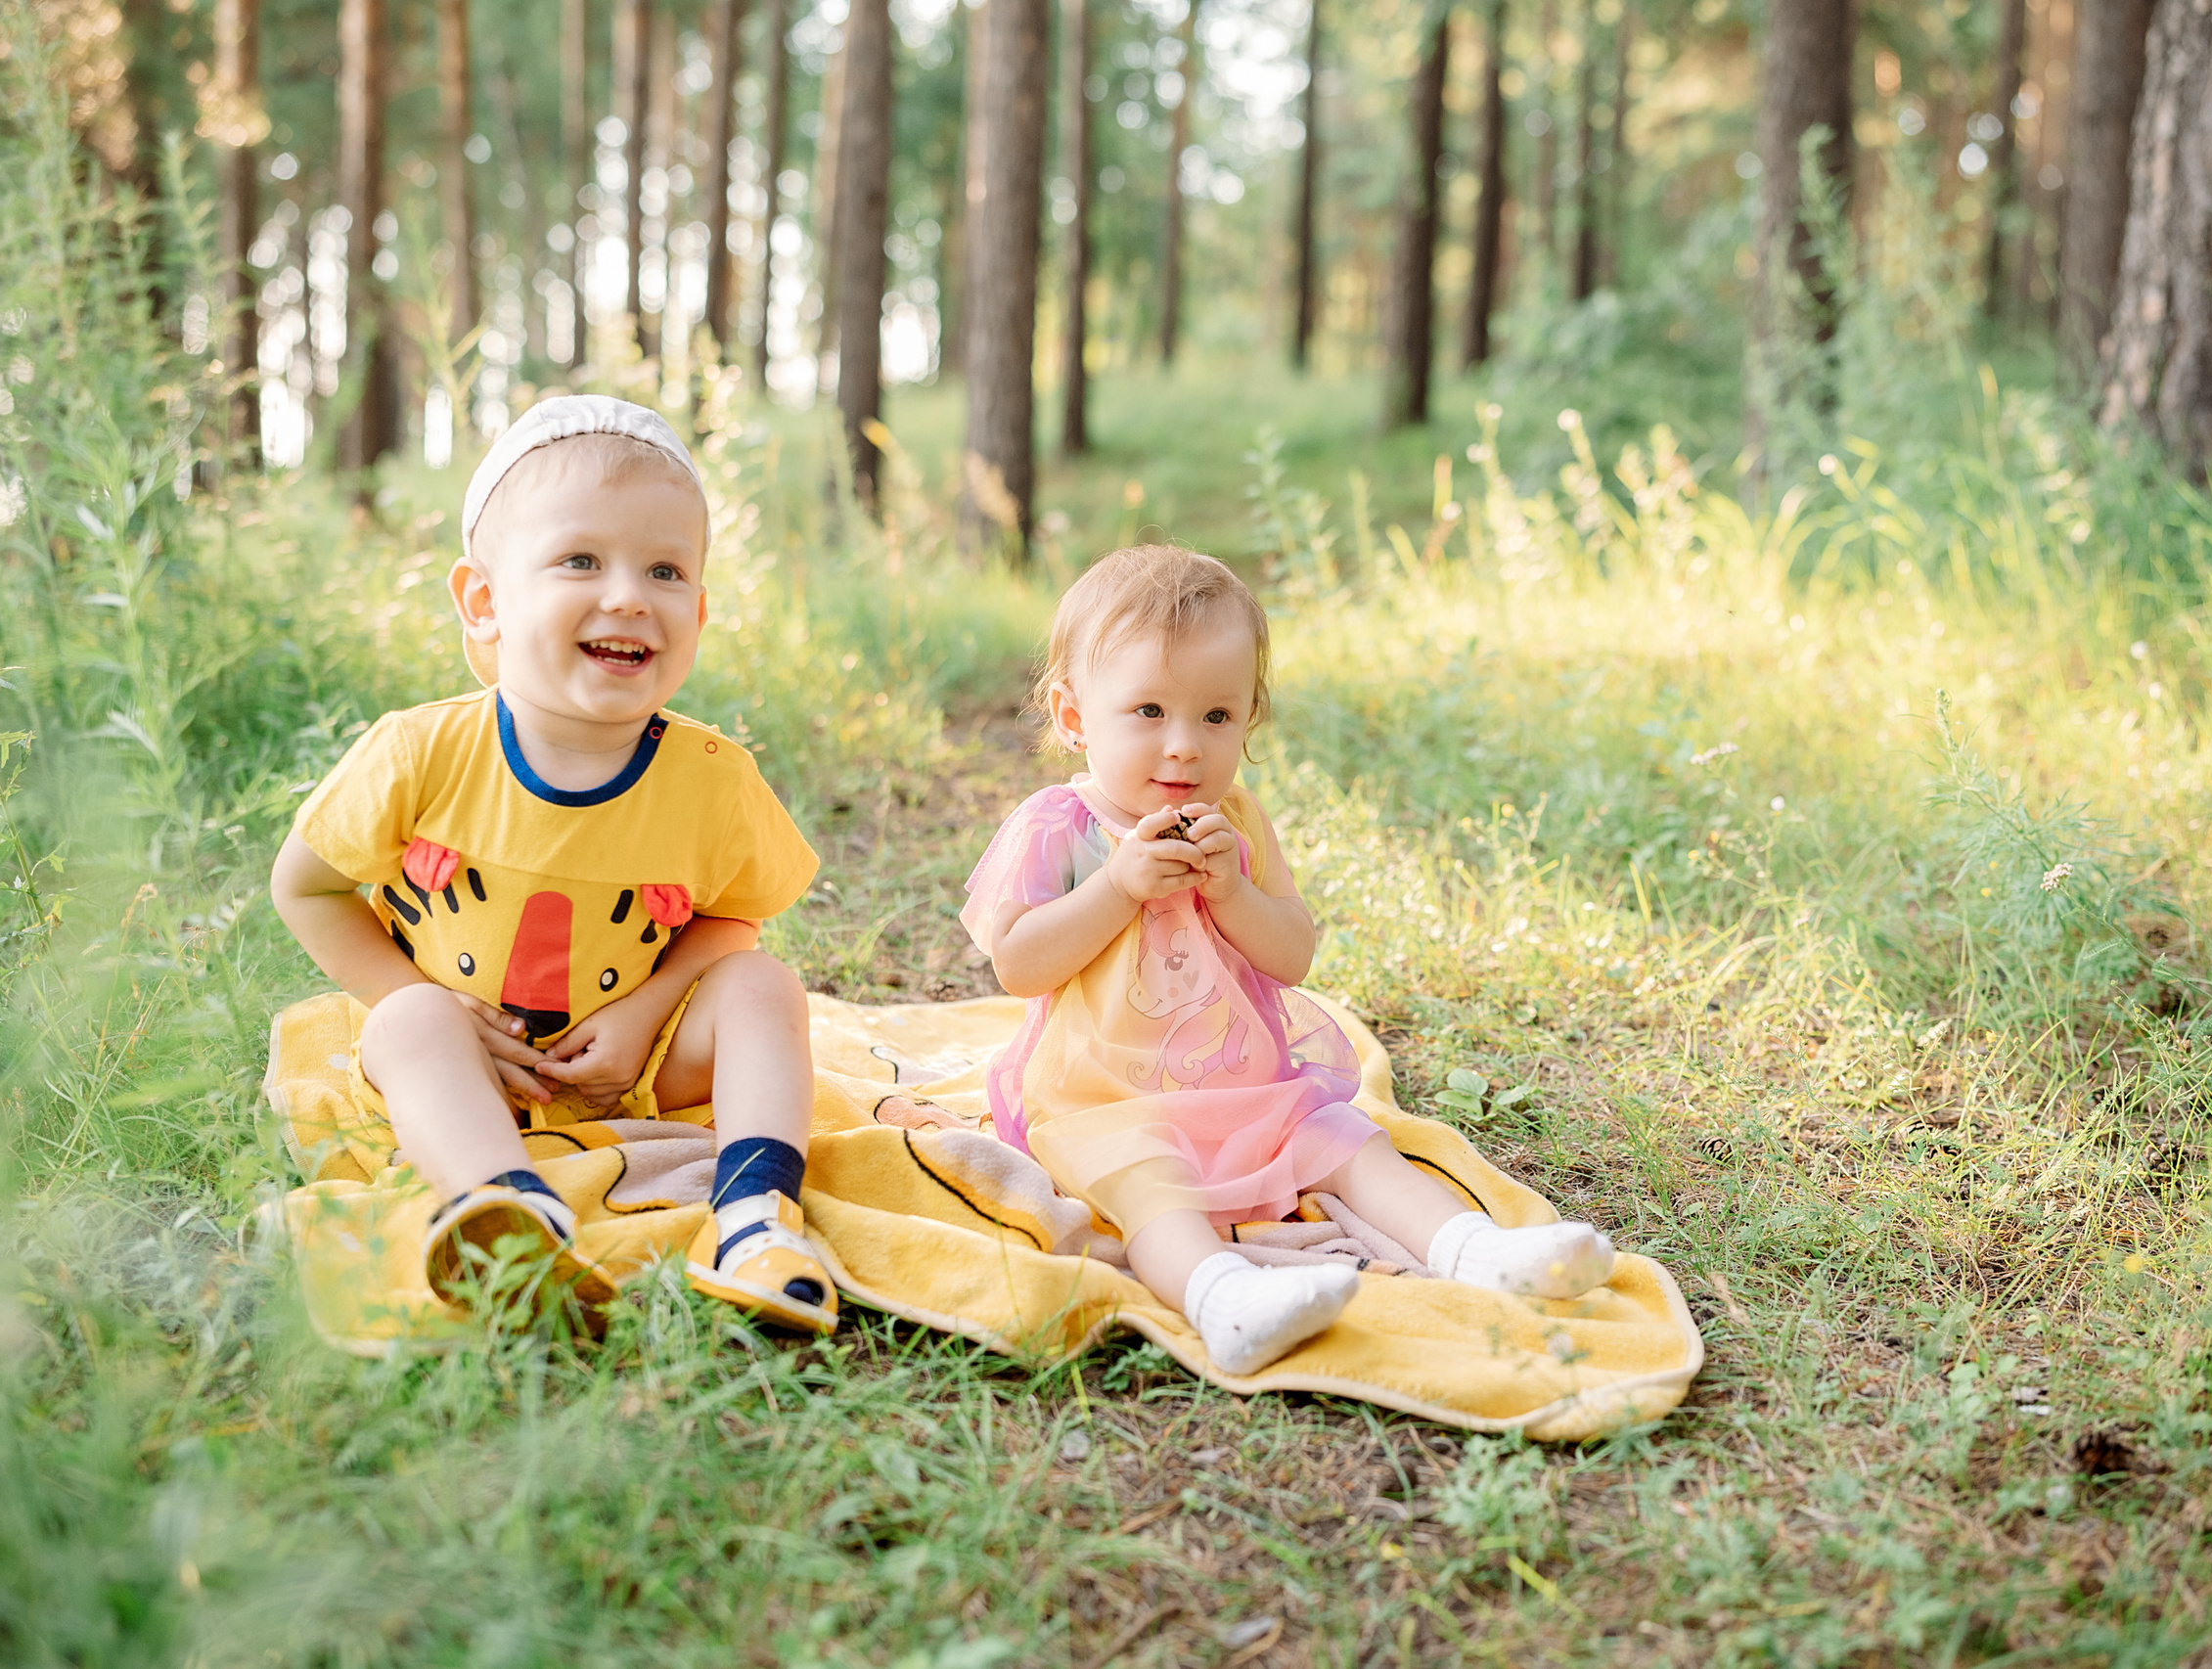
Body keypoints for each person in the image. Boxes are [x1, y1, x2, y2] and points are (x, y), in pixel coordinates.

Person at [963, 545, 1617, 1375]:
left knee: (1352, 1142)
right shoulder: (1059, 825)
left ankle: (1474, 1248)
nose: (1183, 748)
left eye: (1216, 717)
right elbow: (1019, 965)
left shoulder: (1234, 820)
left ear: (1250, 715)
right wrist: (1118, 887)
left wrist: (1234, 890)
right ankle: (1221, 1298)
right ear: (1075, 716)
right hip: (1101, 1098)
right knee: (1147, 1186)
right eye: (1149, 711)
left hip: (1245, 1085)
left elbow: (1292, 954)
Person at [270, 396, 835, 1333]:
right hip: (464, 1056)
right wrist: (428, 999)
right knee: (405, 1024)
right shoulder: (422, 752)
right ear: (485, 602)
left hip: (639, 1059)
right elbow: (309, 884)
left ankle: (755, 1216)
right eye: (581, 560)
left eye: (664, 570)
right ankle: (506, 1210)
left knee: (764, 986)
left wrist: (645, 1010)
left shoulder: (711, 780)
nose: (628, 596)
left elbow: (732, 921)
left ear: (696, 611)